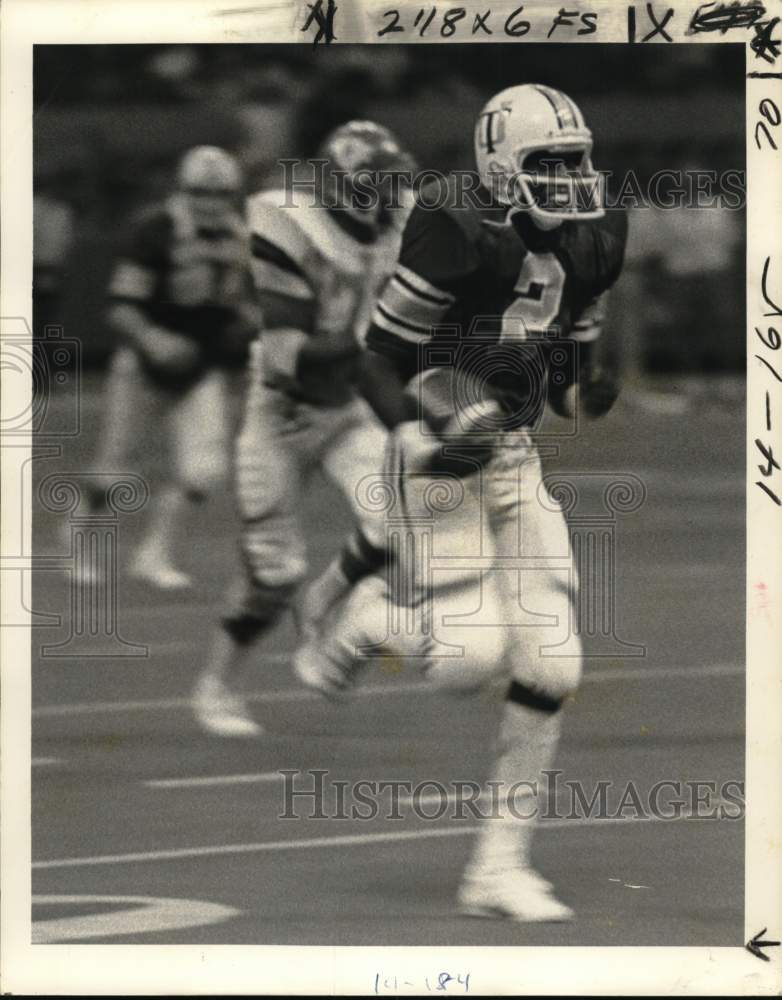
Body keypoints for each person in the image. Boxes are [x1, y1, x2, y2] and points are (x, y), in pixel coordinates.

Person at [295, 85, 628, 922]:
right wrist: (417, 434)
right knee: (466, 664)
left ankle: (496, 870)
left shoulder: (598, 238)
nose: (570, 180)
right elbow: (376, 358)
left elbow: (569, 390)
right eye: (548, 164)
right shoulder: (455, 226)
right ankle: (371, 615)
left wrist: (593, 390)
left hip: (511, 456)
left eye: (576, 160)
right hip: (436, 458)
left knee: (553, 663)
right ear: (500, 166)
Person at [192, 121, 415, 737]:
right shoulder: (289, 225)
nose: (390, 194)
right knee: (273, 577)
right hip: (281, 416)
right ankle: (217, 684)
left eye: (393, 182)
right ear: (343, 186)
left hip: (345, 412)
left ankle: (323, 615)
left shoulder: (393, 225)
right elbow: (290, 359)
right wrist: (370, 342)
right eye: (378, 182)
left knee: (404, 519)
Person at [84, 145, 258, 589]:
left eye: (220, 193)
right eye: (201, 192)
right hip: (142, 367)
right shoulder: (156, 231)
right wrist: (153, 339)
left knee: (204, 471)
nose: (211, 203)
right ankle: (79, 542)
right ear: (183, 191)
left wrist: (248, 324)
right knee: (116, 466)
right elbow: (120, 307)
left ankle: (154, 552)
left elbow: (237, 307)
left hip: (200, 370)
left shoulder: (242, 237)